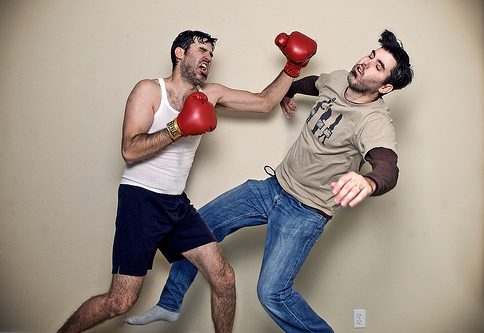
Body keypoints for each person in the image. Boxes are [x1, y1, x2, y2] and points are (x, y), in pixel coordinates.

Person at [126, 29, 414, 332]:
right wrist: (289, 93)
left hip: (306, 211)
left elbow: (387, 166)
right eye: (371, 56)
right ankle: (170, 303)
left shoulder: (374, 121)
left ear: (386, 87)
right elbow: (310, 83)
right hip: (273, 187)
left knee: (272, 293)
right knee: (199, 228)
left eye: (378, 67)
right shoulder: (339, 78)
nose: (365, 63)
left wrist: (369, 182)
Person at [57, 29, 317, 333]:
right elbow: (129, 150)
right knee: (120, 300)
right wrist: (178, 127)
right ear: (180, 53)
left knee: (224, 278)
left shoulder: (210, 94)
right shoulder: (149, 90)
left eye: (211, 54)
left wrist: (292, 68)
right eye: (201, 50)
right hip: (141, 200)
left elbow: (263, 102)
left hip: (176, 205)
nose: (207, 57)